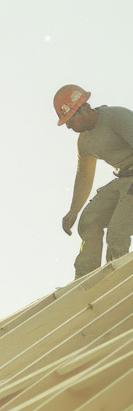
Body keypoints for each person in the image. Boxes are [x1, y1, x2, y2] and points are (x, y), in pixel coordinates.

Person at [54, 84, 133, 279]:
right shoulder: (85, 142)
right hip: (124, 177)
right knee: (89, 221)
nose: (68, 126)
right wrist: (74, 211)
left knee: (116, 235)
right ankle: (86, 281)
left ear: (85, 108)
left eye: (70, 119)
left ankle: (119, 281)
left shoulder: (116, 117)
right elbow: (84, 176)